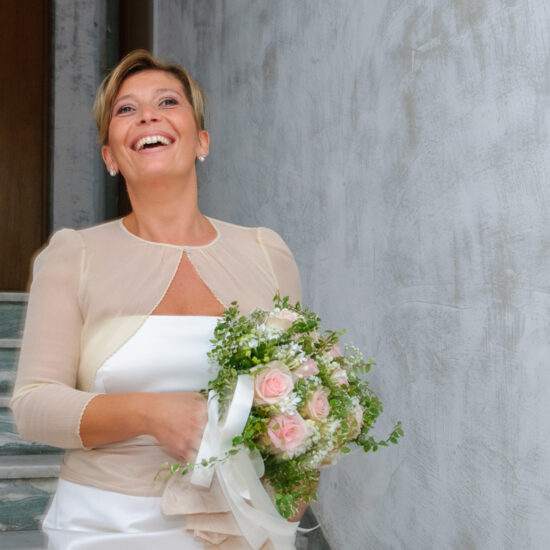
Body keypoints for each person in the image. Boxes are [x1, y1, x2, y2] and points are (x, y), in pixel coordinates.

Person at [10, 50, 302, 549]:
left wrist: (287, 508)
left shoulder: (265, 252)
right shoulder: (73, 256)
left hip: (241, 525)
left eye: (168, 101)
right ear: (110, 155)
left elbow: (302, 395)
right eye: (126, 110)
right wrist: (150, 413)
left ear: (201, 141)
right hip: (108, 526)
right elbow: (33, 406)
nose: (147, 115)